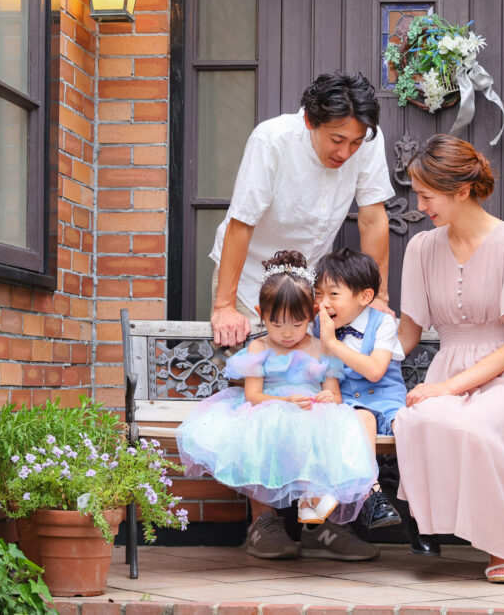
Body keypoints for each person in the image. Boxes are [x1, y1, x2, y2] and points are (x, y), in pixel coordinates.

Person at [394, 134, 504, 586]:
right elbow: (407, 336)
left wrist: (445, 389)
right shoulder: (420, 248)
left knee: (476, 424)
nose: (420, 205)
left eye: (427, 195)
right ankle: (503, 547)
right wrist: (344, 357)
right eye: (417, 194)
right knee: (418, 419)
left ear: (461, 190)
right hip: (449, 377)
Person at [178, 251, 379, 562]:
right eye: (277, 323)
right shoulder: (260, 347)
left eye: (297, 323)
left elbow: (334, 395)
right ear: (261, 313)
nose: (287, 333)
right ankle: (265, 522)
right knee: (264, 428)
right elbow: (253, 396)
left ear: (312, 314)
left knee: (338, 427)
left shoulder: (322, 348)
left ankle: (317, 518)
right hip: (270, 409)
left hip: (312, 413)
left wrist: (327, 398)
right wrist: (285, 402)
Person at [209, 72, 396, 348]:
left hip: (311, 284)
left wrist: (379, 297)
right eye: (337, 140)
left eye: (355, 142)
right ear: (310, 121)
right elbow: (242, 223)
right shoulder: (271, 140)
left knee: (309, 370)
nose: (345, 152)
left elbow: (372, 219)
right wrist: (224, 306)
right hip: (248, 280)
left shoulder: (368, 139)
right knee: (248, 369)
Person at [312, 248, 441, 554]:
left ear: (365, 297)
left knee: (411, 432)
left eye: (333, 294)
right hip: (350, 407)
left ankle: (420, 520)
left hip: (388, 403)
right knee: (361, 419)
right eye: (319, 294)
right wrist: (333, 402)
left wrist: (331, 342)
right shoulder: (321, 327)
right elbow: (330, 375)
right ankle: (372, 496)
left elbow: (374, 370)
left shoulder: (382, 324)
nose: (324, 302)